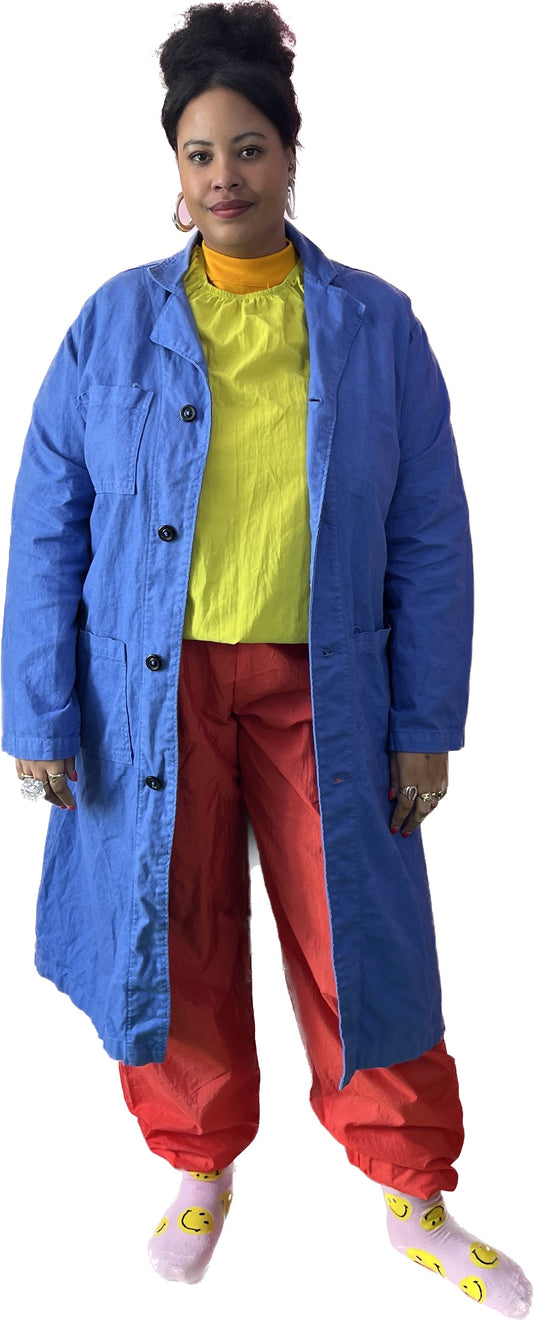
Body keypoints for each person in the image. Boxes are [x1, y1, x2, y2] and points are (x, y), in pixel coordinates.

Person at [1, 1, 530, 1311]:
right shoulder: (111, 326)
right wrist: (39, 710)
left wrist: (426, 721)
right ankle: (197, 1163)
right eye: (199, 154)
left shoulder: (374, 327)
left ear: (291, 156)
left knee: (361, 937)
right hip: (147, 692)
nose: (224, 175)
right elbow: (47, 522)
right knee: (164, 925)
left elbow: (430, 532)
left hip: (326, 689)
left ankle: (413, 1197)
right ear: (173, 172)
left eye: (248, 147)